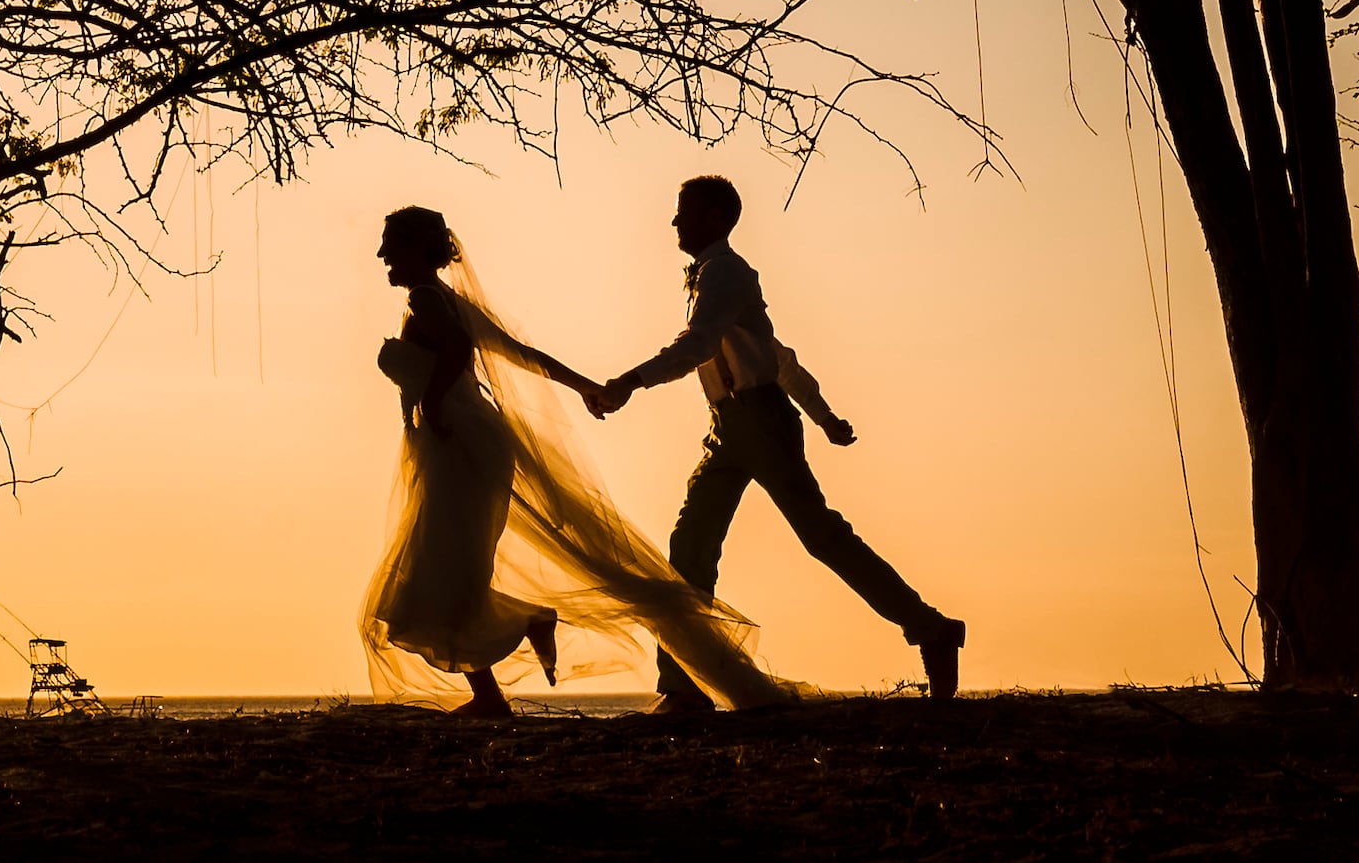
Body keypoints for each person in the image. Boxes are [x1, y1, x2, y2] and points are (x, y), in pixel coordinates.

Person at [364, 204, 794, 715]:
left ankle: (515, 648)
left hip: (458, 448)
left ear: (417, 249)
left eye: (392, 243)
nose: (382, 254)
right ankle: (493, 691)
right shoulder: (441, 300)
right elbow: (523, 354)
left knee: (435, 577)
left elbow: (459, 351)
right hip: (457, 447)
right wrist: (586, 386)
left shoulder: (428, 300)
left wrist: (432, 402)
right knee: (446, 572)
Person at [584, 174, 967, 703]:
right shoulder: (711, 277)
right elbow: (777, 355)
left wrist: (630, 381)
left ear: (717, 218)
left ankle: (932, 629)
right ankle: (682, 686)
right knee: (690, 545)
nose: (675, 221)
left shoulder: (727, 273)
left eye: (685, 211)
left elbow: (701, 346)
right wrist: (824, 416)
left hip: (761, 422)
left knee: (822, 537)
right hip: (726, 426)